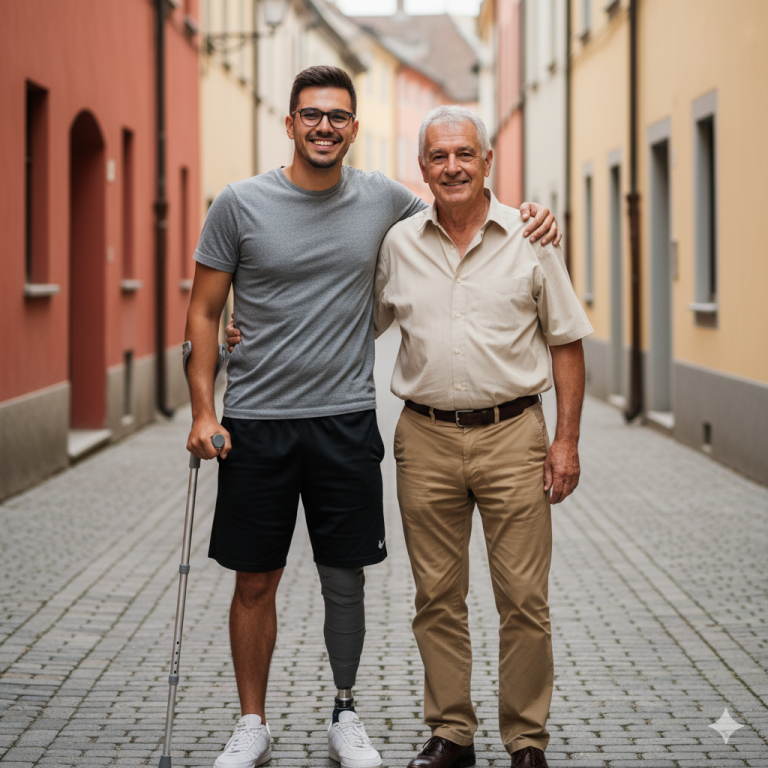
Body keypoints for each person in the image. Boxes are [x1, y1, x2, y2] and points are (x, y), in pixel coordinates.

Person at [186, 66, 560, 768]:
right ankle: (252, 723)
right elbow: (204, 312)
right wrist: (204, 409)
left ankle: (346, 712)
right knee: (254, 580)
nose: (323, 126)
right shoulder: (237, 203)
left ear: (354, 128)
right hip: (257, 420)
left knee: (345, 577)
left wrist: (531, 213)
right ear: (290, 123)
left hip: (347, 418)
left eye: (337, 115)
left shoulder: (388, 201)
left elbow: (465, 209)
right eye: (310, 114)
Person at [372, 106, 593, 768]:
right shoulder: (399, 244)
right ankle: (451, 734)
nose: (453, 167)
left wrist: (567, 442)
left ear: (487, 161)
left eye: (465, 154)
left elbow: (567, 341)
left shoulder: (533, 238)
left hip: (513, 438)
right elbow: (355, 323)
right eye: (439, 157)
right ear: (422, 169)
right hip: (425, 440)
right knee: (436, 598)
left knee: (523, 599)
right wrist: (245, 331)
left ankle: (526, 740)